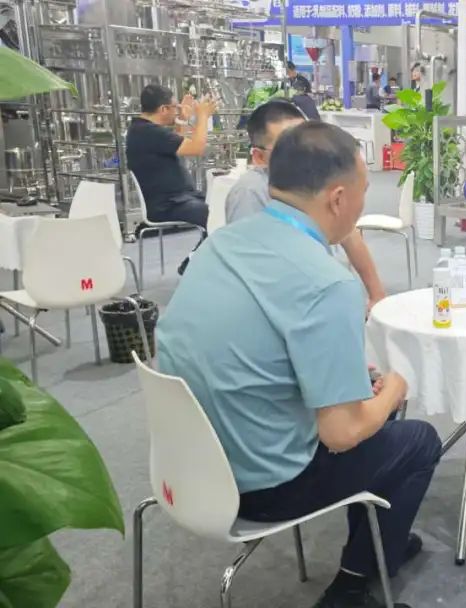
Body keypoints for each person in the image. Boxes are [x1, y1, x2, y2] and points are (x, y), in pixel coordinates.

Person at [157, 122, 440, 608]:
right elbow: (342, 433)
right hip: (264, 486)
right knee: (416, 439)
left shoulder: (223, 244)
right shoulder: (327, 283)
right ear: (338, 199)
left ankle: (379, 542)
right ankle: (352, 585)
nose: (363, 203)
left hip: (186, 465)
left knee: (371, 410)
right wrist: (397, 385)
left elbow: (253, 350)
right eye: (364, 191)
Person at [225, 99, 387, 309]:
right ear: (259, 157)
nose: (304, 154)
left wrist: (377, 294)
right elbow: (251, 271)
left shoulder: (320, 176)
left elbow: (350, 235)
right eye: (286, 148)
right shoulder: (250, 192)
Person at [126, 84, 216, 273]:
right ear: (163, 109)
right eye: (175, 107)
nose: (177, 110)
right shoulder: (150, 133)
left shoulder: (143, 130)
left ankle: (196, 262)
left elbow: (175, 144)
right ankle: (193, 264)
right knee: (218, 217)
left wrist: (181, 119)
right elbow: (197, 148)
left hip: (178, 199)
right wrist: (203, 116)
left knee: (223, 207)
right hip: (167, 205)